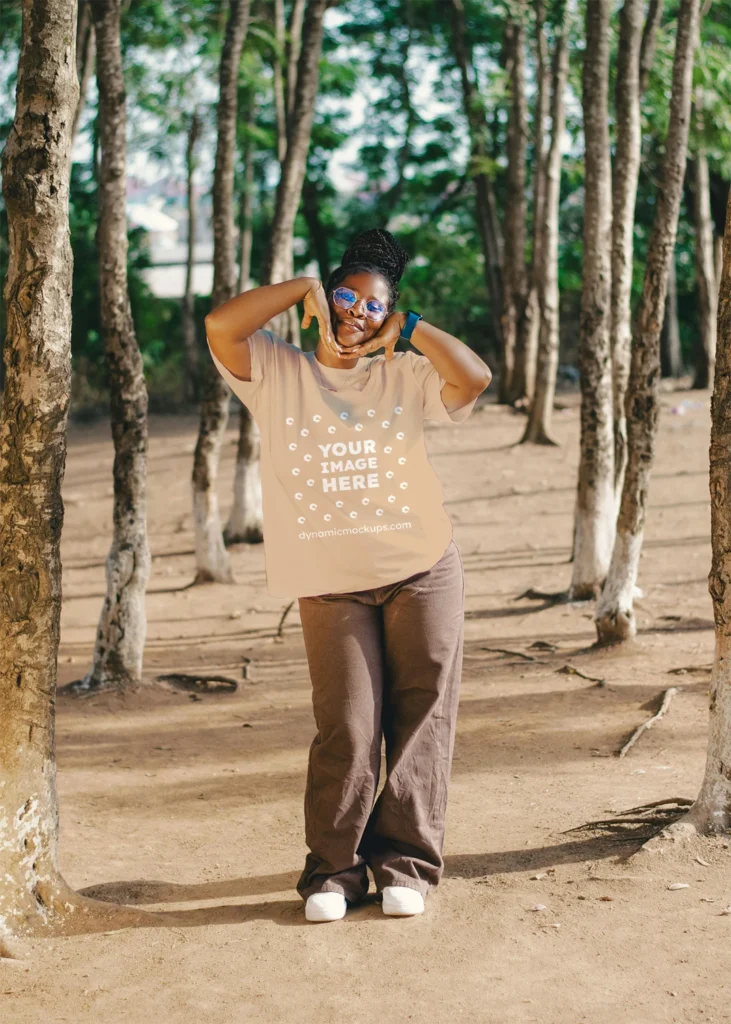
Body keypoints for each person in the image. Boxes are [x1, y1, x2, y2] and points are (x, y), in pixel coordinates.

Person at [205, 228, 492, 922]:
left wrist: (411, 330)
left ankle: (407, 866)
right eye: (344, 296)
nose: (355, 312)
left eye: (374, 305)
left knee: (422, 720)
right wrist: (300, 289)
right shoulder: (275, 370)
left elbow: (474, 376)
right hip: (330, 583)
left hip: (420, 569)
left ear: (389, 314)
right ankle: (333, 872)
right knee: (348, 729)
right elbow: (220, 324)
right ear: (324, 299)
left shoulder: (405, 373)